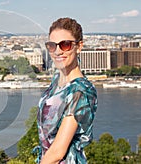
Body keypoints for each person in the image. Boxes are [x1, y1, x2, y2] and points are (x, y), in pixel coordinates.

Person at [36, 17, 98, 163]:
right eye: (52, 45)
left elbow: (58, 152)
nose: (57, 51)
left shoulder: (80, 91)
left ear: (79, 46)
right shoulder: (57, 79)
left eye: (65, 45)